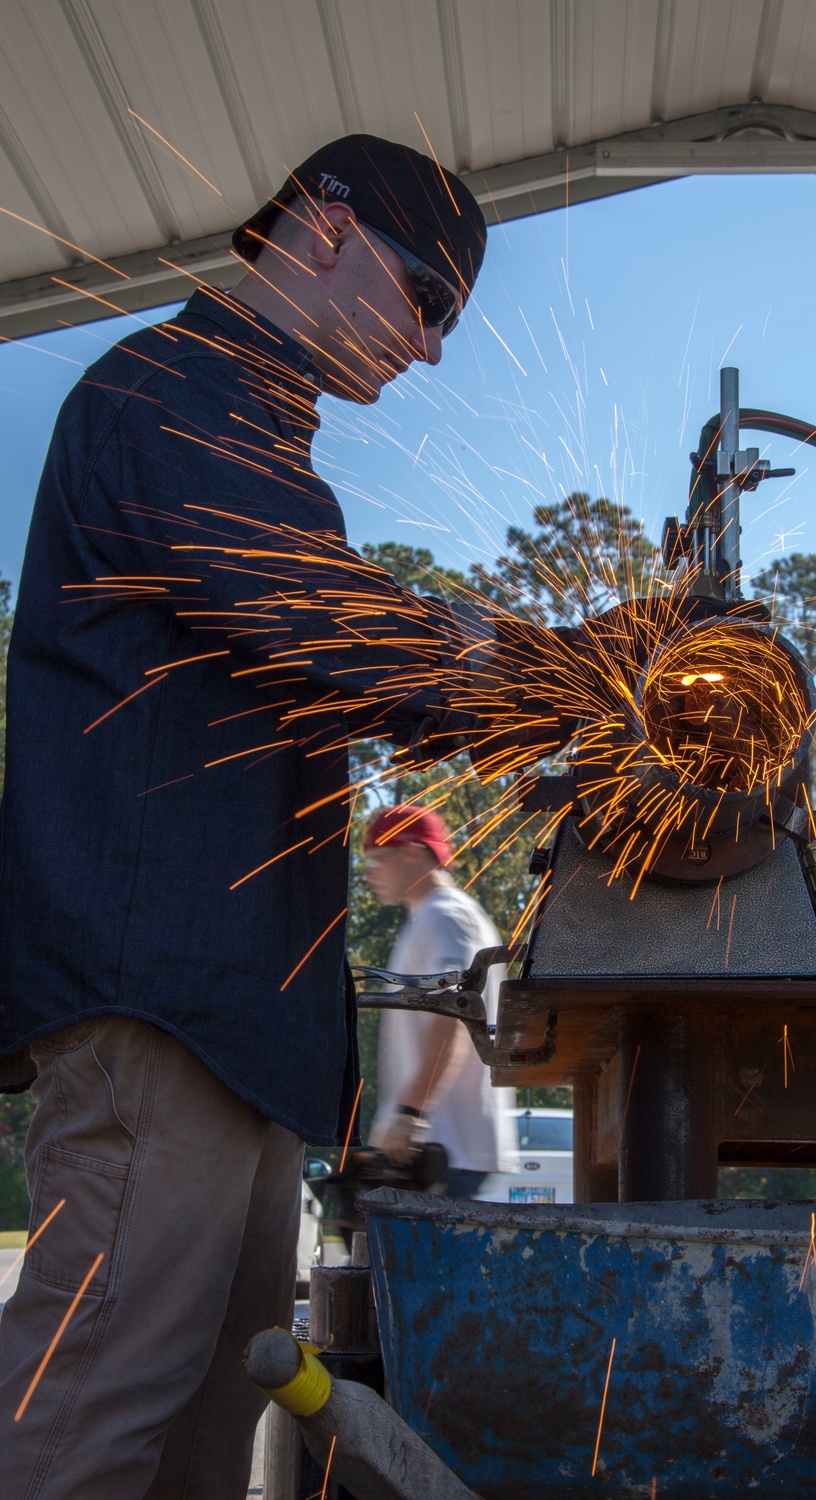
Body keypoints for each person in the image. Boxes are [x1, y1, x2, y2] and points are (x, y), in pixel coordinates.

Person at [0, 134, 572, 1500]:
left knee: (206, 1427)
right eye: (427, 297)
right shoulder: (174, 394)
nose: (430, 349)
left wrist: (507, 675)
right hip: (162, 1004)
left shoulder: (254, 433)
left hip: (236, 1021)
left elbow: (326, 638)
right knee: (93, 1411)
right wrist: (541, 672)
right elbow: (328, 624)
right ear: (325, 226)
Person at [362, 805, 517, 1197]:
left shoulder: (446, 916)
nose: (368, 874)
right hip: (437, 1142)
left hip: (444, 1148)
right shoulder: (429, 917)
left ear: (412, 851)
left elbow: (453, 1014)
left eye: (378, 859)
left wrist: (412, 1114)